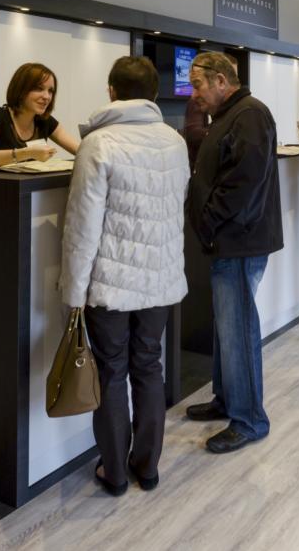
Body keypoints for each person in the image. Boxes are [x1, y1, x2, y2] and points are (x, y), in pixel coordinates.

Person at [59, 56, 190, 495]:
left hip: (109, 286)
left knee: (112, 373)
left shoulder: (99, 144)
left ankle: (113, 473)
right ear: (153, 93)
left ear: (111, 91)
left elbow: (82, 227)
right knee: (149, 367)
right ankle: (147, 469)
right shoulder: (175, 141)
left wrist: (73, 292)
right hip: (161, 281)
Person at [185, 51, 283, 454]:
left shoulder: (250, 115)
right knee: (228, 326)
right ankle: (227, 400)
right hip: (228, 239)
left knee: (238, 329)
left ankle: (249, 419)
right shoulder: (232, 115)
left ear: (222, 81)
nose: (194, 96)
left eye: (198, 85)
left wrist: (207, 219)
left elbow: (243, 184)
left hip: (239, 240)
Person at [0, 62, 79, 166]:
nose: (47, 96)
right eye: (39, 89)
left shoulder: (45, 120)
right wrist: (26, 153)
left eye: (50, 91)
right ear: (21, 89)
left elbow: (80, 150)